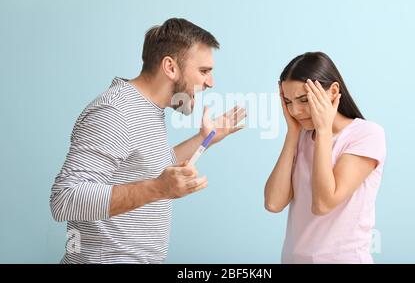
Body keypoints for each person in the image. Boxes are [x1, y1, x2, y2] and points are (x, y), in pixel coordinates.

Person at [50, 18, 246, 263]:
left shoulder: (147, 109)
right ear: (170, 67)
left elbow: (146, 166)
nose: (210, 82)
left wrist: (204, 139)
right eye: (204, 71)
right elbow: (65, 199)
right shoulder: (115, 111)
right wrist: (158, 189)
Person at [264, 52, 386, 263]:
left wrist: (323, 131)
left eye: (304, 100)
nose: (296, 111)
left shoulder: (366, 135)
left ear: (333, 91)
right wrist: (292, 134)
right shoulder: (301, 134)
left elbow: (322, 203)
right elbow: (273, 203)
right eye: (288, 102)